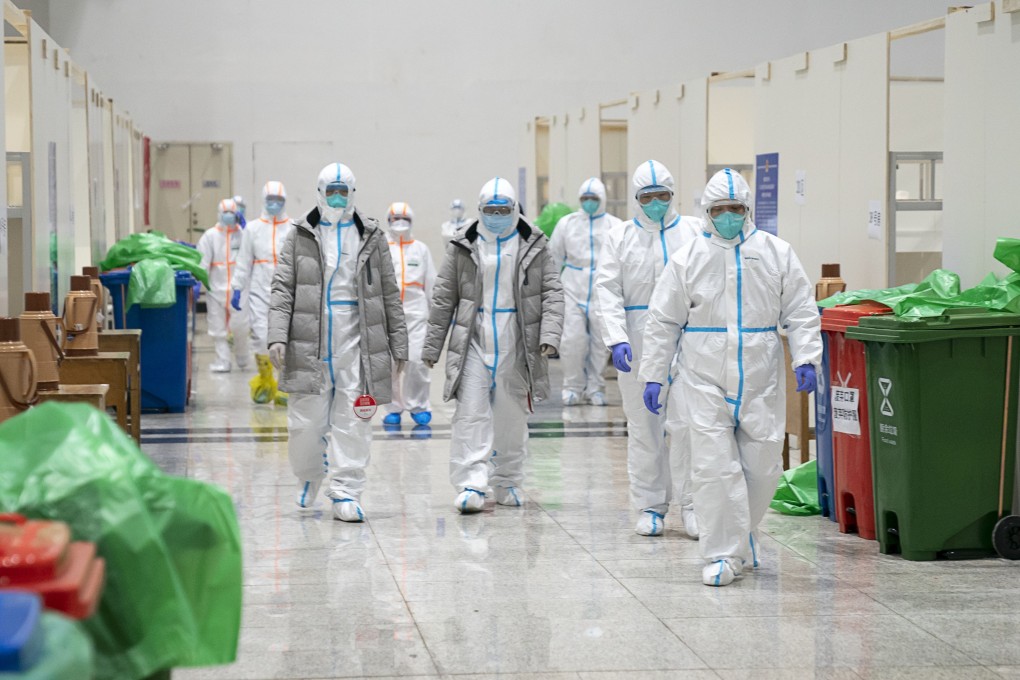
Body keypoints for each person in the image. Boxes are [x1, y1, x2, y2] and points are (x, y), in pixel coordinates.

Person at [639, 168, 822, 586]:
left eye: (735, 208)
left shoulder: (776, 252)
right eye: (719, 209)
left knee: (763, 466)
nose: (728, 216)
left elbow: (800, 307)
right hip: (703, 374)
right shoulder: (688, 258)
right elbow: (663, 320)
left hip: (760, 371)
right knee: (713, 468)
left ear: (747, 209)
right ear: (706, 211)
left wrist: (806, 357)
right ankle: (722, 554)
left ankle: (742, 535)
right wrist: (654, 374)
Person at [268, 162, 408, 522]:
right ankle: (309, 474)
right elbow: (282, 288)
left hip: (357, 341)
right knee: (305, 424)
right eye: (330, 191)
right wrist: (277, 335)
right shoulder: (300, 233)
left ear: (353, 193)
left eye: (342, 191)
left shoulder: (371, 236)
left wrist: (399, 344)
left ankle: (347, 490)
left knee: (353, 421)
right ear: (319, 191)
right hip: (308, 339)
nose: (336, 198)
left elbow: (389, 294)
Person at [423, 177, 563, 513]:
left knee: (511, 416)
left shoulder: (533, 243)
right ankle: (471, 483)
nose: (496, 216)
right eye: (490, 210)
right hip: (474, 338)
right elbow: (444, 296)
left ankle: (507, 480)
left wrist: (549, 336)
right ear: (479, 210)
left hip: (517, 340)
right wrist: (432, 346)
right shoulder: (462, 244)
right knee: (470, 414)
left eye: (503, 210)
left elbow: (552, 291)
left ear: (514, 210)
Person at [594, 160, 700, 538]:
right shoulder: (620, 237)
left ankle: (693, 506)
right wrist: (616, 337)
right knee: (643, 427)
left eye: (662, 196)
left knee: (688, 426)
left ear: (673, 194)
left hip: (686, 342)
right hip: (637, 343)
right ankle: (650, 505)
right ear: (635, 199)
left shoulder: (694, 231)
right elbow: (607, 289)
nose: (655, 203)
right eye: (647, 197)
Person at [548, 177, 621, 406]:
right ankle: (572, 386)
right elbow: (554, 256)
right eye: (585, 198)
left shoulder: (615, 226)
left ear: (603, 199)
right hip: (572, 285)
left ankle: (595, 388)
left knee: (600, 343)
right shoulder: (567, 224)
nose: (589, 202)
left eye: (594, 198)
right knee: (572, 340)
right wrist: (551, 290)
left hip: (602, 287)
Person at [231, 181, 292, 403]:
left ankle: (284, 384)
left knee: (287, 337)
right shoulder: (253, 228)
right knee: (261, 335)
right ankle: (266, 380)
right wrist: (237, 287)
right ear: (263, 200)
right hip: (259, 289)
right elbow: (244, 259)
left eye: (279, 200)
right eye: (270, 200)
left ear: (285, 201)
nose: (274, 204)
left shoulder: (294, 228)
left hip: (287, 289)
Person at [382, 201, 437, 427]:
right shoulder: (381, 248)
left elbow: (432, 283)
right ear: (388, 221)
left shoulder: (421, 249)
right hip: (388, 315)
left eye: (404, 219)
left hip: (417, 315)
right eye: (395, 219)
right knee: (390, 365)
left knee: (417, 362)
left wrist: (437, 315)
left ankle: (418, 405)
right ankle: (393, 408)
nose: (400, 223)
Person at [197, 198, 251, 373]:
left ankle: (242, 356)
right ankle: (223, 361)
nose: (228, 216)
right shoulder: (210, 236)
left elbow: (252, 252)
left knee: (241, 326)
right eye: (225, 212)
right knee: (217, 328)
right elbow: (202, 262)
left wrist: (246, 229)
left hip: (238, 289)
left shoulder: (243, 234)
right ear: (219, 214)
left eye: (232, 213)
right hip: (216, 289)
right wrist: (198, 283)